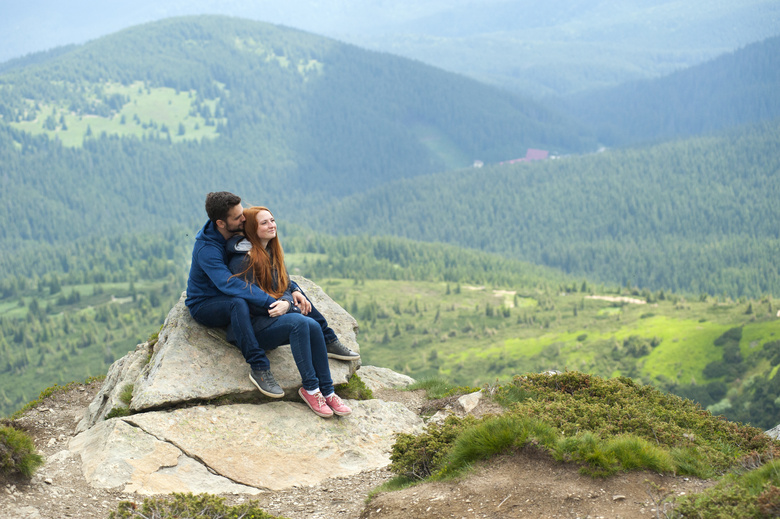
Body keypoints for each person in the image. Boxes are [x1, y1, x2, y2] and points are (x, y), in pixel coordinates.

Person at [226, 205, 357, 418]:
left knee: (312, 325)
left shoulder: (269, 251)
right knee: (300, 322)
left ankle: (328, 390)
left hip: (270, 319)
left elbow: (283, 284)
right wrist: (290, 307)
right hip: (253, 327)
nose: (272, 225)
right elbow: (246, 299)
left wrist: (291, 296)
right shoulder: (243, 259)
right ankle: (311, 389)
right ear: (252, 227)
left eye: (272, 220)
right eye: (264, 222)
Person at [186, 192, 289, 400]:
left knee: (248, 301)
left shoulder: (236, 234)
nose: (244, 219)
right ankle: (259, 367)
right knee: (238, 303)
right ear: (221, 223)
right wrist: (270, 301)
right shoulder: (206, 249)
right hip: (205, 303)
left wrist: (291, 290)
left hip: (229, 296)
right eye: (237, 217)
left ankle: (325, 336)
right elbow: (229, 284)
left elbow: (268, 263)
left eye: (242, 213)